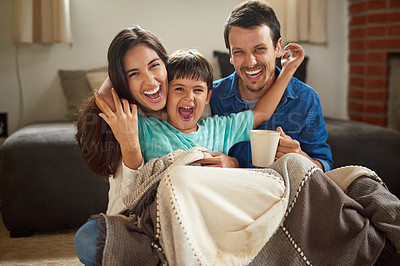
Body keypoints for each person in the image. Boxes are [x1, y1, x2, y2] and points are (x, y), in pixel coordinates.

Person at [209, 0, 333, 171]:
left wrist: (300, 157)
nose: (250, 62)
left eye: (259, 49)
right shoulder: (211, 96)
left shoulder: (306, 99)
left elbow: (325, 167)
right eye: (239, 52)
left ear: (278, 48)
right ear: (230, 55)